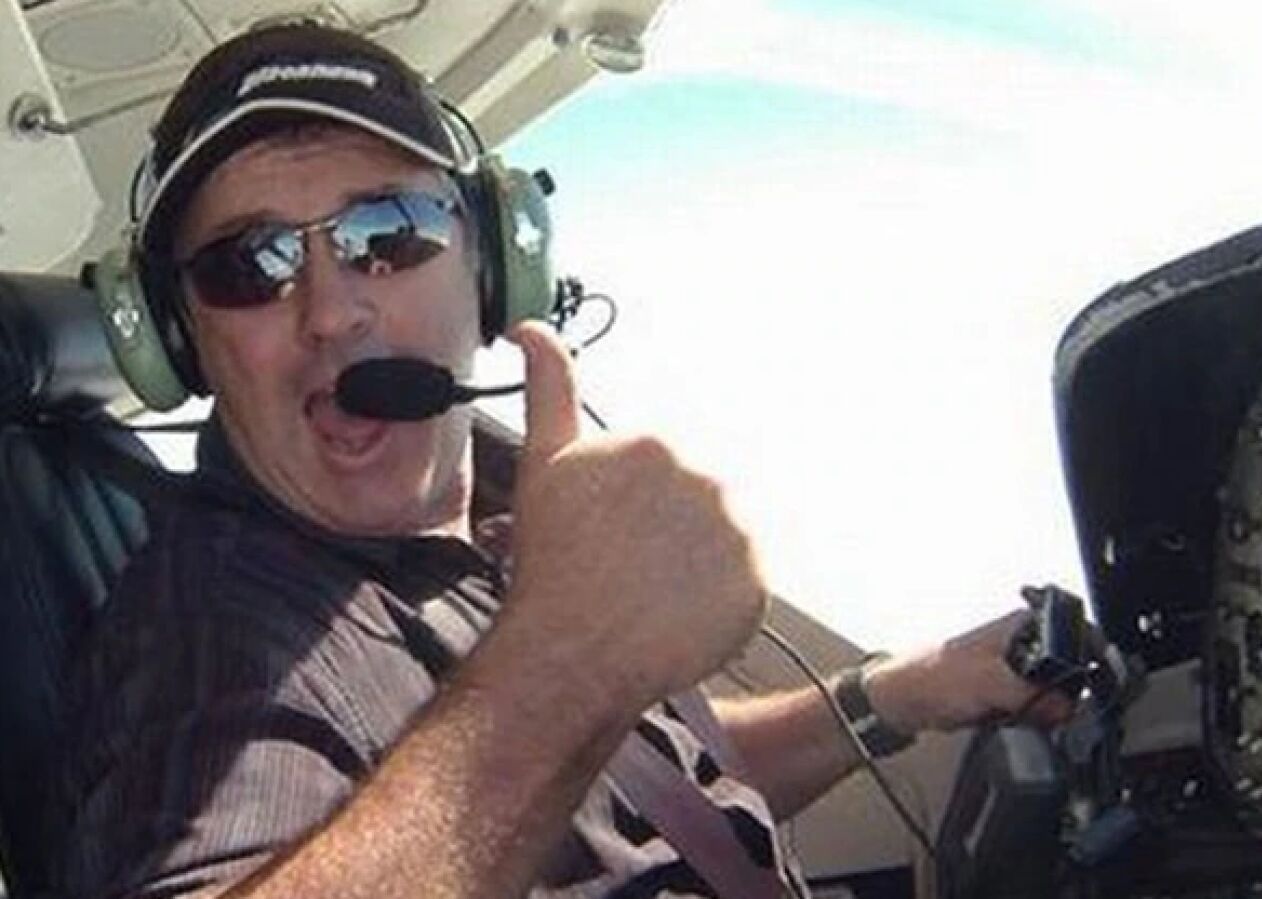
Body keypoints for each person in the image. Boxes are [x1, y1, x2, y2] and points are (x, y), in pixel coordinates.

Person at [53, 23, 1066, 899]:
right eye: (250, 263)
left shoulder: (497, 523)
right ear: (180, 340)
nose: (330, 310)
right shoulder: (208, 634)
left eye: (386, 233)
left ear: (493, 262)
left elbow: (628, 787)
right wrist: (571, 658)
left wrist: (897, 694)